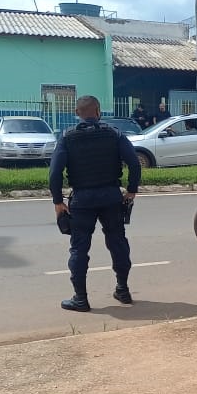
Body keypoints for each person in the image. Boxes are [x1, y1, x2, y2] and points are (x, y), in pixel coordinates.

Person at [49, 95, 142, 312]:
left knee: (79, 249)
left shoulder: (67, 137)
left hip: (82, 200)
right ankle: (123, 290)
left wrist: (57, 202)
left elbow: (54, 172)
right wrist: (131, 190)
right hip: (111, 197)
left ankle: (80, 299)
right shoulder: (114, 134)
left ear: (77, 113)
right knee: (118, 243)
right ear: (98, 112)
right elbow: (134, 164)